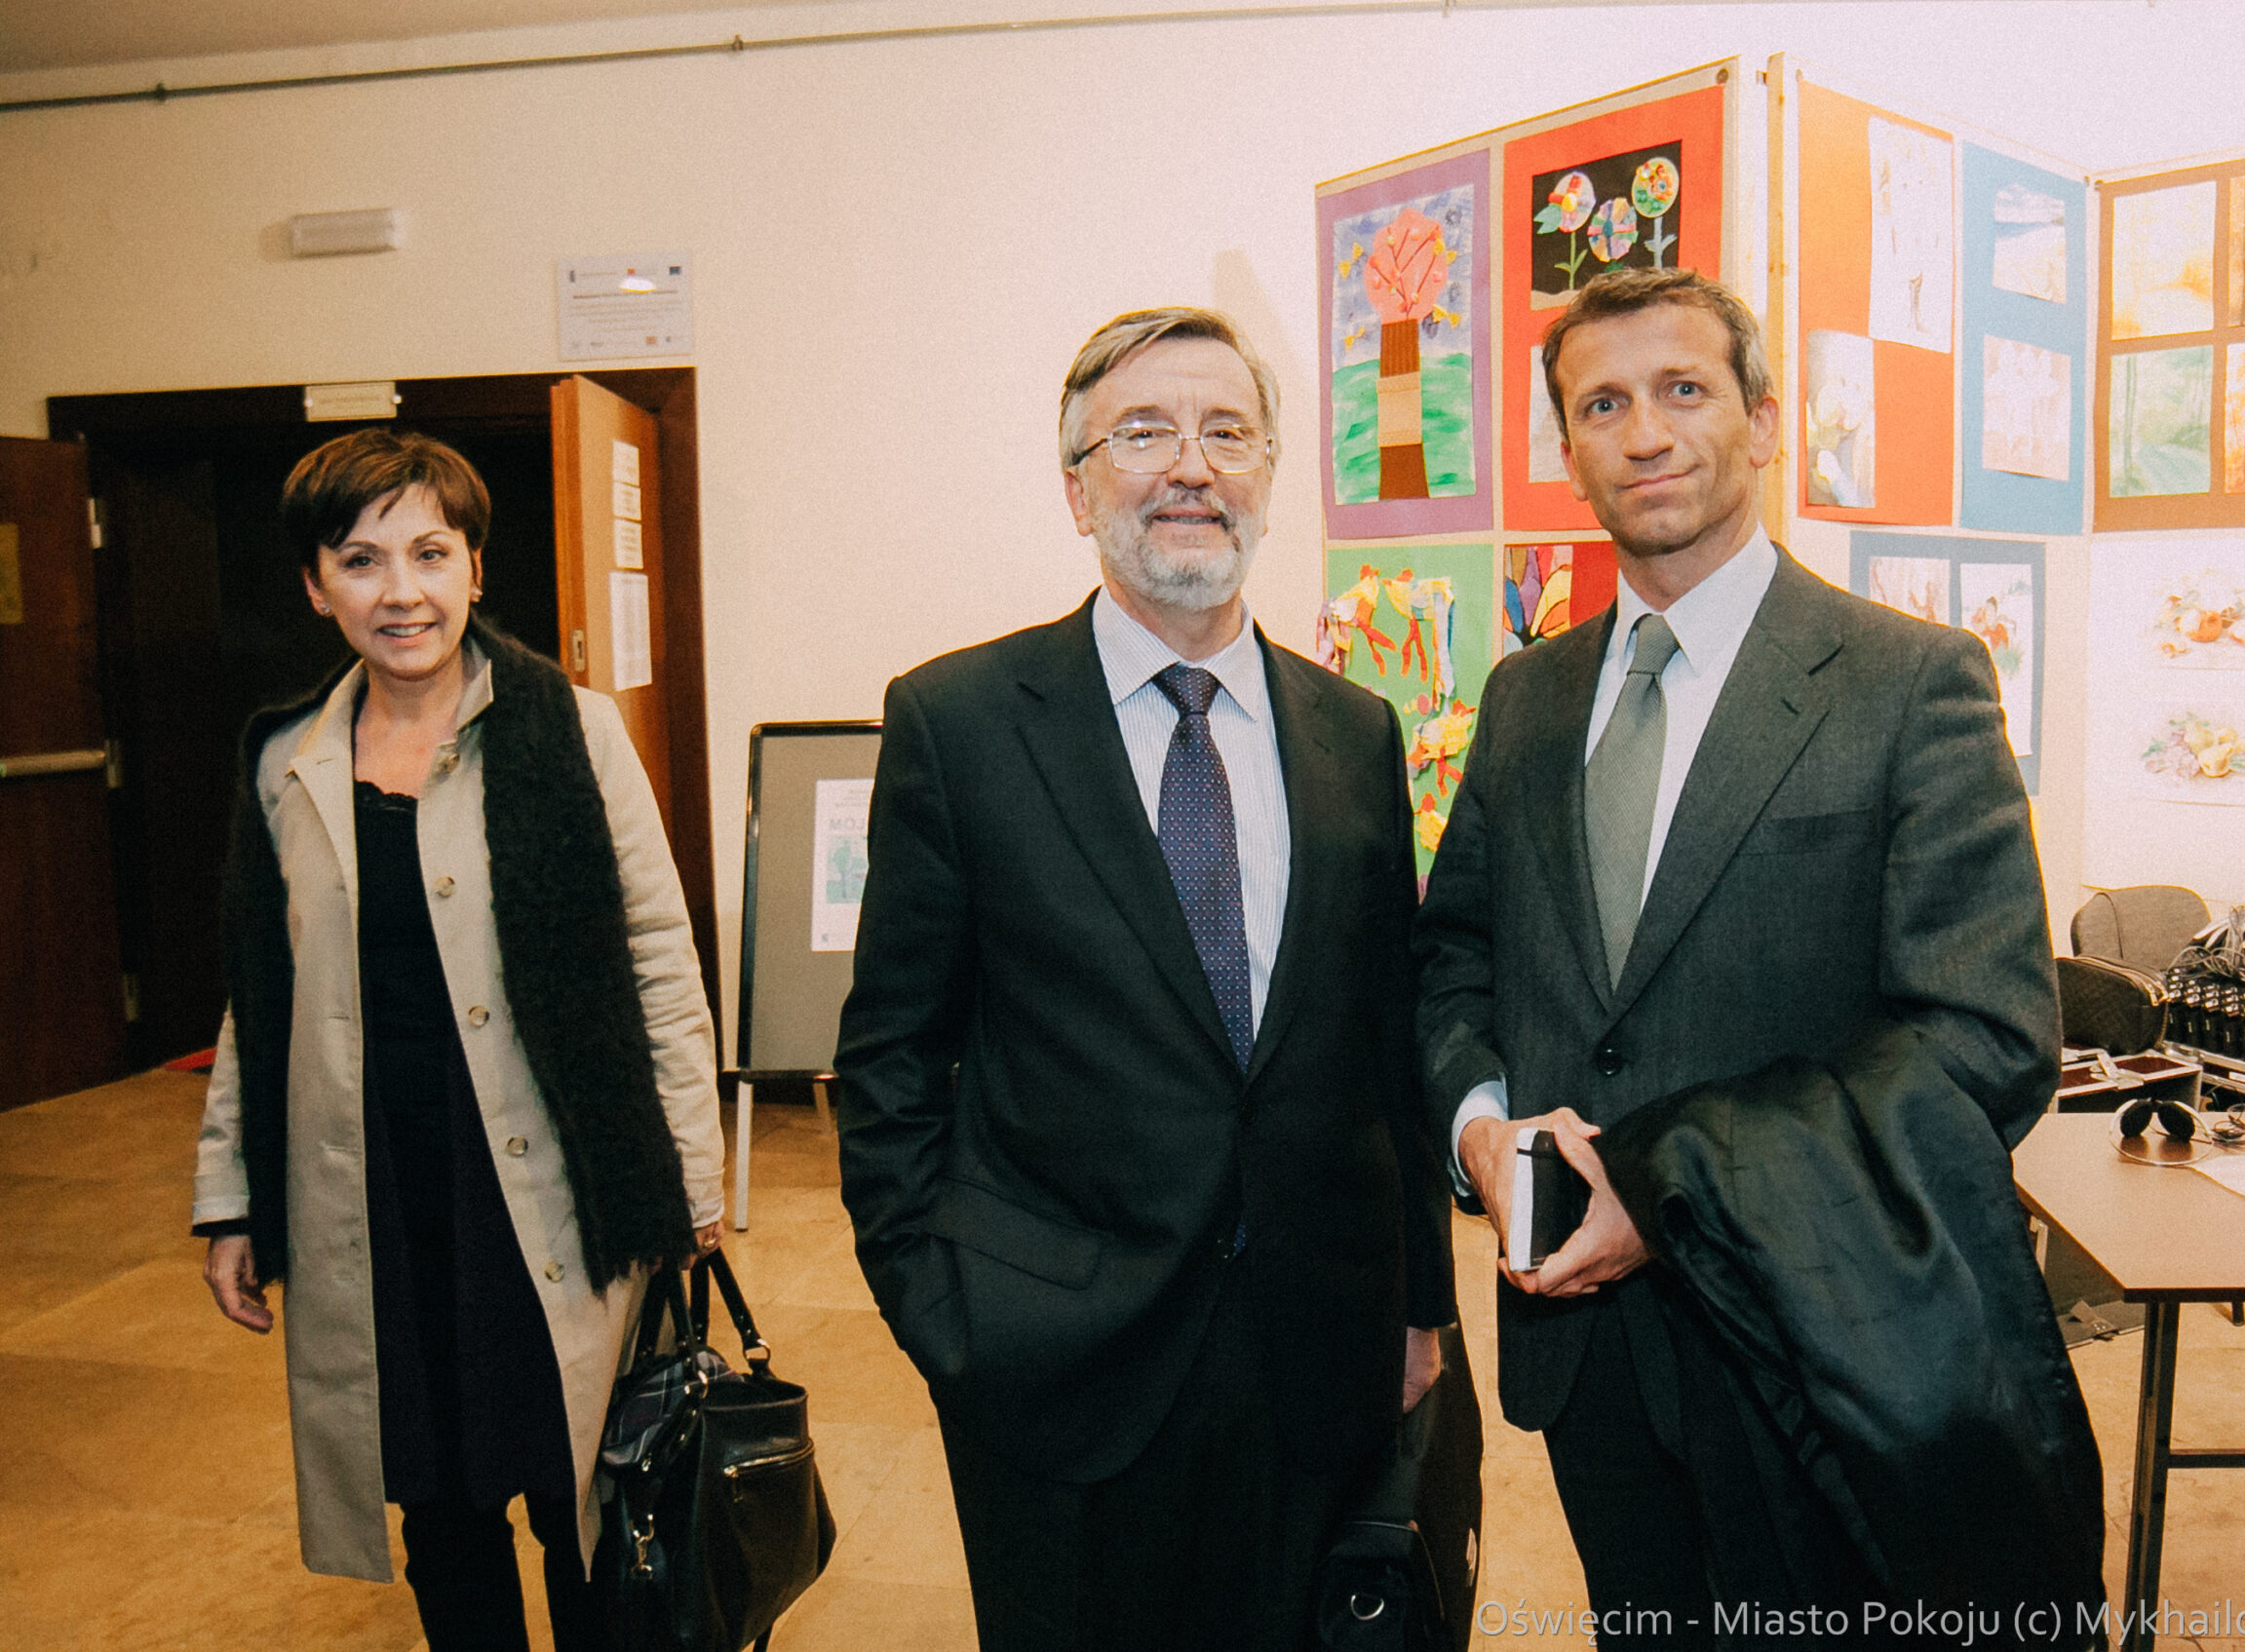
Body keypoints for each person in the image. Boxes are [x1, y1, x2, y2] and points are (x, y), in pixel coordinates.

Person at [1413, 268, 2072, 1645]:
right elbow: (1455, 955)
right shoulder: (1526, 697)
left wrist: (1672, 1196)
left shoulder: (1909, 680)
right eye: (1603, 404)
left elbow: (1984, 1039)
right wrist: (1479, 1129)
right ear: (1569, 451)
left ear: (1764, 422)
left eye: (1683, 389)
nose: (1645, 432)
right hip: (1583, 1353)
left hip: (1815, 1335)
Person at [836, 306, 1457, 1652]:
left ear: (1269, 478)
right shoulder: (958, 721)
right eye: (1142, 432)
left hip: (1317, 1350)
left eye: (1227, 431)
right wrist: (937, 1304)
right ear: (1077, 488)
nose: (1190, 464)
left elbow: (1385, 1040)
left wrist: (1421, 1304)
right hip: (1052, 1360)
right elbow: (892, 1051)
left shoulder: (1354, 730)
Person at [194, 428, 724, 1651]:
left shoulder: (572, 730)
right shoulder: (284, 759)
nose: (403, 592)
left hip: (552, 1188)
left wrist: (690, 1175)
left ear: (476, 567)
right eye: (361, 560)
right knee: (438, 1498)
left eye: (430, 553)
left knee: (588, 1491)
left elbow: (658, 955)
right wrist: (230, 1195)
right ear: (316, 587)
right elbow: (255, 993)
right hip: (376, 1193)